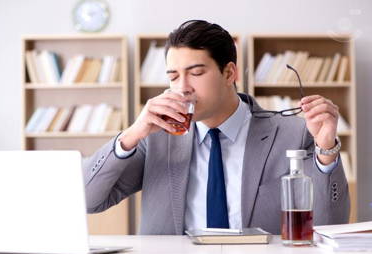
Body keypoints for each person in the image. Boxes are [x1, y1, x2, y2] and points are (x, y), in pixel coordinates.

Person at [83, 20, 349, 235]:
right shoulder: (154, 137)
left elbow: (329, 224)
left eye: (196, 73)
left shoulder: (293, 133)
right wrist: (130, 135)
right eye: (173, 76)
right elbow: (87, 200)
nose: (182, 87)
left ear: (229, 73)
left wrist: (326, 150)